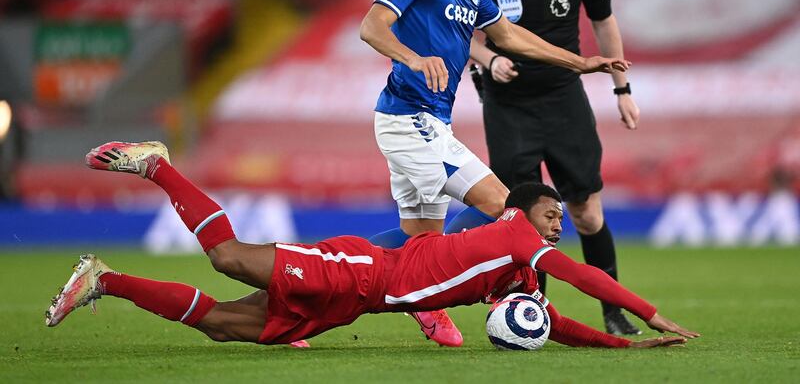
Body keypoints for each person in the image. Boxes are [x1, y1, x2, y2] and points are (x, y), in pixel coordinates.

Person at [46, 140, 698, 351]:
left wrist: (624, 345)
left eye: (559, 216)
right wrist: (647, 308)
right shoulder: (520, 235)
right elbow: (583, 279)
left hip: (359, 303)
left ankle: (104, 279)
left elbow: (555, 322)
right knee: (227, 256)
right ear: (527, 209)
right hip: (361, 269)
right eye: (553, 211)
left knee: (222, 325)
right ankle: (159, 165)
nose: (558, 222)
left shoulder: (516, 274)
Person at [359, 0, 629, 346]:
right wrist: (412, 58)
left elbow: (506, 34)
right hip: (410, 118)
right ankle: (516, 295)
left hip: (429, 121)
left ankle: (307, 278)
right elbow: (371, 26)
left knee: (417, 240)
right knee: (507, 208)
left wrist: (577, 61)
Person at [466, 0, 642, 335]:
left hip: (564, 98)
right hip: (508, 105)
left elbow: (604, 23)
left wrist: (622, 88)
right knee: (521, 219)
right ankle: (534, 313)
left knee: (586, 211)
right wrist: (487, 59)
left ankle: (613, 311)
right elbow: (457, 26)